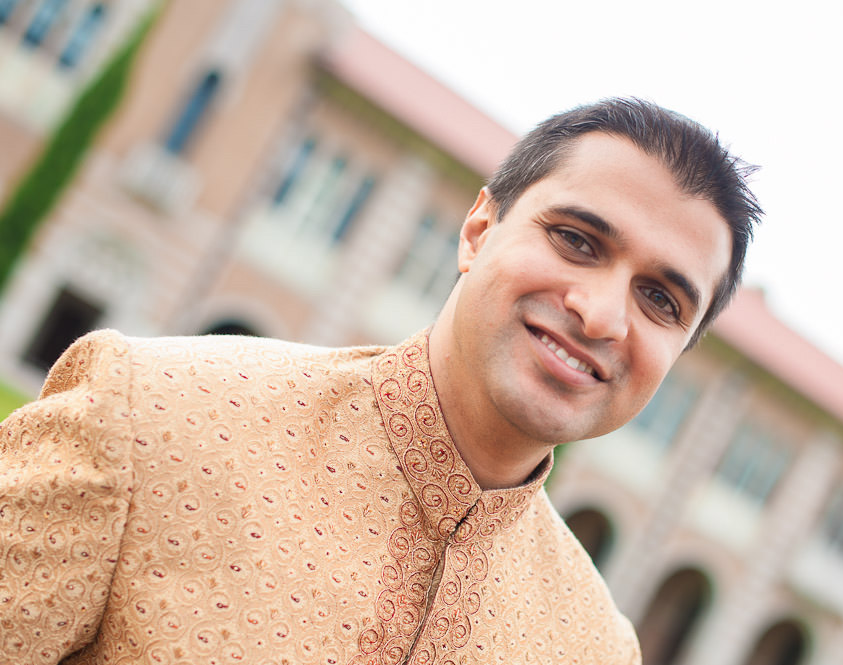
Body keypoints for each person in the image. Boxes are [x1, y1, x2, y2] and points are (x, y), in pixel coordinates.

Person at [0, 98, 761, 664]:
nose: (600, 315)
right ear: (478, 231)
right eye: (576, 239)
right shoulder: (152, 412)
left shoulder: (594, 646)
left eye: (660, 299)